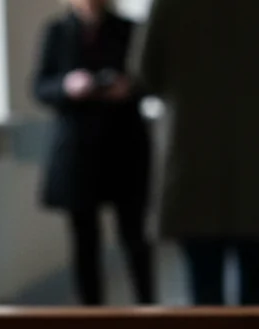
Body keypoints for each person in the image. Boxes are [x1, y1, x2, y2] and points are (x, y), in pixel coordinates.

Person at [134, 0, 259, 306]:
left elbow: (145, 73)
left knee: (203, 283)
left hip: (190, 162)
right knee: (255, 274)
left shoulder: (170, 6)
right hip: (256, 164)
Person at [33, 0, 154, 306]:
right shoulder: (58, 31)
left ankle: (148, 307)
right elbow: (40, 86)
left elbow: (153, 79)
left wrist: (129, 87)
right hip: (78, 151)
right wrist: (67, 85)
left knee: (135, 237)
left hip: (124, 148)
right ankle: (91, 315)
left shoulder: (130, 30)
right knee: (84, 242)